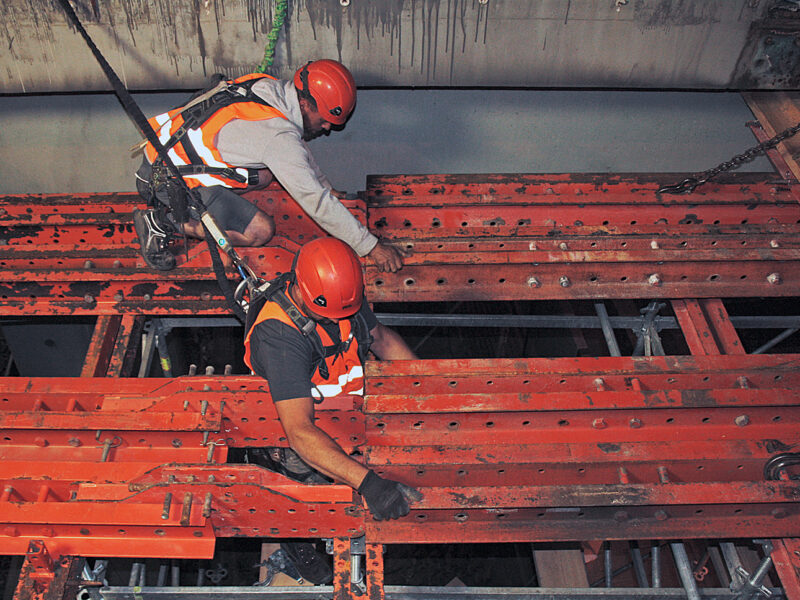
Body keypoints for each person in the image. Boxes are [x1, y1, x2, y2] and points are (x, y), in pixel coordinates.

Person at [242, 236, 422, 584]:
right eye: (326, 314)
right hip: (299, 436)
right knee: (308, 503)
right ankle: (299, 547)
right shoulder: (279, 335)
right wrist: (370, 484)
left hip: (346, 415)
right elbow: (299, 432)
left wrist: (423, 389)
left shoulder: (341, 294)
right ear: (301, 290)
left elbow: (382, 339)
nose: (338, 319)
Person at [132, 59, 405, 273]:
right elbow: (316, 202)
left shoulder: (269, 88)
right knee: (259, 231)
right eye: (323, 120)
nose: (326, 128)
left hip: (165, 152)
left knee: (264, 175)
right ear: (305, 103)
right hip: (166, 180)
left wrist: (325, 185)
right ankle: (162, 222)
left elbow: (295, 145)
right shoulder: (278, 139)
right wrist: (371, 247)